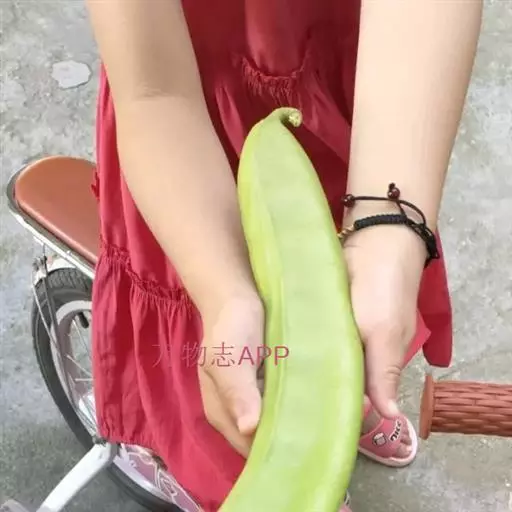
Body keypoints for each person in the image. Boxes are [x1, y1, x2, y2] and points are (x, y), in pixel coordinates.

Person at [85, 1, 483, 510]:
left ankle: (349, 408)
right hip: (188, 172)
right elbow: (154, 91)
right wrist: (224, 294)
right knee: (241, 374)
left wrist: (389, 233)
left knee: (360, 318)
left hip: (371, 119)